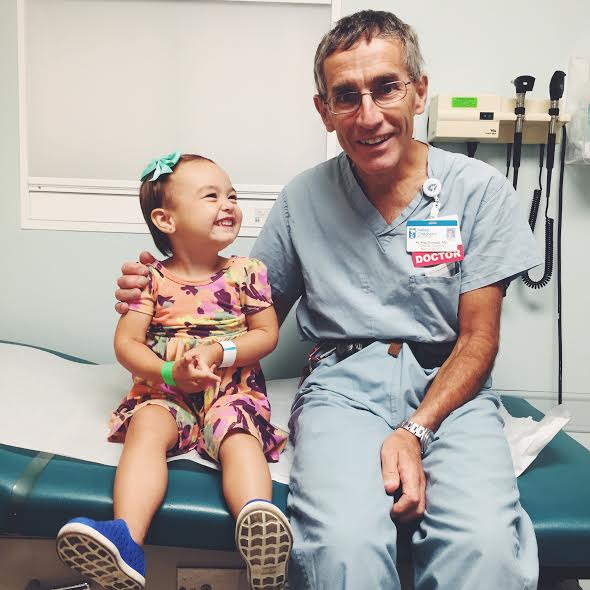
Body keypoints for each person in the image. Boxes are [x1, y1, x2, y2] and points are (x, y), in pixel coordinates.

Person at [115, 11, 542, 590]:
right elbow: (238, 306)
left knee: (484, 547)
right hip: (342, 389)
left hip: (451, 391)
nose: (368, 115)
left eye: (386, 88)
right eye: (346, 96)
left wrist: (415, 431)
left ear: (418, 92)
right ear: (324, 110)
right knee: (341, 547)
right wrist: (163, 286)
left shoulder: (477, 191)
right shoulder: (304, 199)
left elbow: (479, 339)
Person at [57, 153, 292, 590]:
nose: (228, 204)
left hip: (229, 388)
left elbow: (266, 334)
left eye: (232, 195)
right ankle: (126, 541)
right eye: (211, 196)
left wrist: (218, 351)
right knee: (146, 426)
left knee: (239, 435)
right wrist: (168, 372)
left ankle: (260, 531)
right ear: (166, 220)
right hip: (166, 392)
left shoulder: (248, 272)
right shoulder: (149, 279)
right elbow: (127, 344)